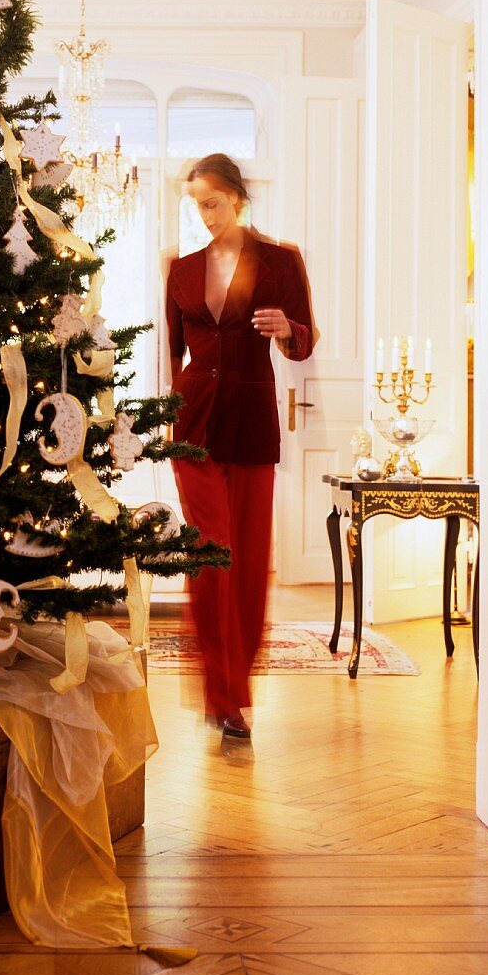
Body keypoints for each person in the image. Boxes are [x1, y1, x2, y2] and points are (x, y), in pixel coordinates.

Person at [166, 153, 316, 742]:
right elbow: (170, 354)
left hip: (252, 423)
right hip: (194, 424)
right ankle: (219, 691)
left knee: (249, 563)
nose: (204, 215)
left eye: (213, 203)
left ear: (237, 199)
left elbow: (305, 341)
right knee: (211, 555)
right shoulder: (181, 269)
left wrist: (289, 332)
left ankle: (234, 690)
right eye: (196, 204)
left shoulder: (282, 261)